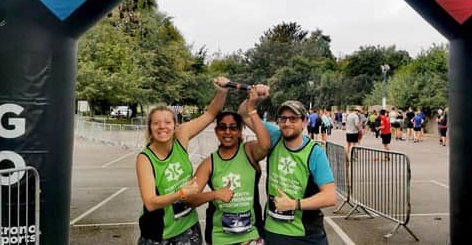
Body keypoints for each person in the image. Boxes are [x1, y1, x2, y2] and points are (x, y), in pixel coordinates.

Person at [135, 76, 231, 245]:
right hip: (160, 234)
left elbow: (210, 114)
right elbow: (150, 203)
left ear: (175, 126)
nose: (162, 127)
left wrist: (222, 91)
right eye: (156, 123)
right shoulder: (145, 159)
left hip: (188, 228)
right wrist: (181, 194)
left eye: (167, 122)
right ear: (150, 127)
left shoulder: (181, 136)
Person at [239, 100, 336, 245]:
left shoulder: (315, 153)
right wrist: (255, 96)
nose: (287, 123)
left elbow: (330, 197)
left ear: (304, 122)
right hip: (275, 231)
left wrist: (294, 204)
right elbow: (243, 114)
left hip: (306, 233)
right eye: (283, 119)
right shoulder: (274, 136)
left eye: (293, 118)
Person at [188, 85, 271, 245]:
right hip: (220, 236)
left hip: (251, 234)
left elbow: (266, 145)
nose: (228, 132)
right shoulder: (209, 163)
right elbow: (190, 199)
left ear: (240, 131)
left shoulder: (248, 151)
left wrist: (252, 109)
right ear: (216, 131)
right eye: (223, 127)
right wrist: (215, 194)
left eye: (233, 128)